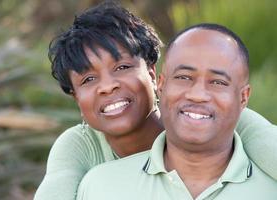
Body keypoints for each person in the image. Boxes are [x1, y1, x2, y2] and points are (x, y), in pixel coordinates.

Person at [34, 2, 277, 199]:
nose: (108, 86)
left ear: (153, 75)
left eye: (122, 67)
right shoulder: (81, 148)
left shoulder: (217, 117)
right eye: (88, 80)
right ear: (76, 98)